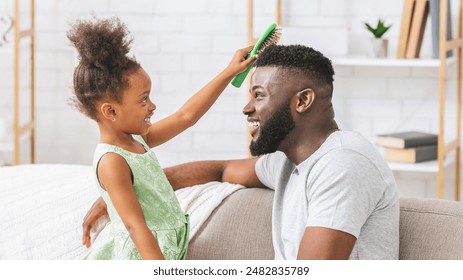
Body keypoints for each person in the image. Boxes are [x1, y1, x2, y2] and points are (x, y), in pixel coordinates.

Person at [82, 44, 399, 260]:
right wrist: (127, 190)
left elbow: (185, 117)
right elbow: (219, 170)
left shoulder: (342, 166)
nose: (247, 108)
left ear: (302, 101)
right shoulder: (287, 164)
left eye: (259, 95)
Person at [68, 17, 257, 260]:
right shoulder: (112, 161)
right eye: (143, 99)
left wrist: (230, 72)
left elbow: (186, 116)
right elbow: (135, 226)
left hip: (164, 246)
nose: (153, 106)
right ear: (111, 112)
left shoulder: (136, 140)